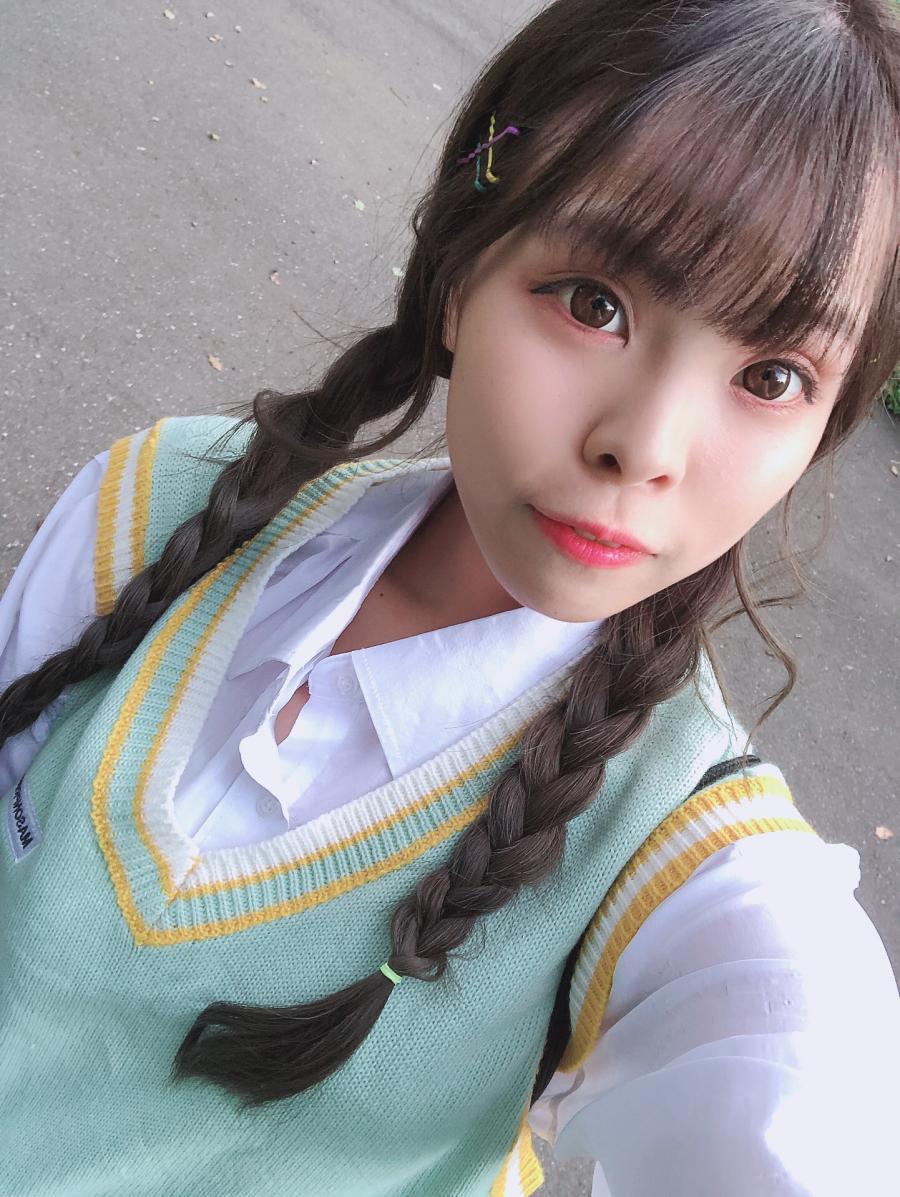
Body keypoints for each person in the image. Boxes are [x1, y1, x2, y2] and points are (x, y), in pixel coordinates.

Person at [1, 0, 898, 1193]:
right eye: (593, 302)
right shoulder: (160, 501)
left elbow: (793, 1073)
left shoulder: (673, 854)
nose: (645, 445)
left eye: (773, 377)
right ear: (462, 269)